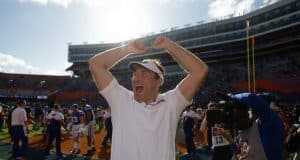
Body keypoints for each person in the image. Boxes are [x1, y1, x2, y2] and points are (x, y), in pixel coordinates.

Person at [89, 36, 208, 160]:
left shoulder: (171, 103)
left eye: (144, 73)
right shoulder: (120, 99)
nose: (137, 78)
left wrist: (169, 45)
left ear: (159, 81)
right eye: (134, 74)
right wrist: (127, 49)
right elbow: (95, 64)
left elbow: (199, 71)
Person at [218, 93, 285, 160]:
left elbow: (251, 98)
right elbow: (241, 154)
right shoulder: (250, 127)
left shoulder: (268, 123)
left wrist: (232, 98)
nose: (250, 112)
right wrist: (230, 140)